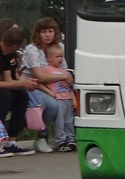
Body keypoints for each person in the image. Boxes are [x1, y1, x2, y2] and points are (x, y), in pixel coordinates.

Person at [20, 17, 70, 152]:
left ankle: (65, 138)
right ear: (38, 33)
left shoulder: (58, 48)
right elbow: (40, 76)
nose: (47, 35)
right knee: (52, 105)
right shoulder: (32, 50)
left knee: (66, 104)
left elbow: (63, 71)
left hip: (52, 87)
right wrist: (63, 76)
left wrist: (65, 77)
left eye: (50, 31)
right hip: (32, 87)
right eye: (43, 32)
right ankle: (41, 136)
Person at [0, 26, 38, 156]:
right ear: (16, 45)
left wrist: (24, 84)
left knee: (21, 95)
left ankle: (11, 141)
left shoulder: (10, 54)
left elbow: (8, 79)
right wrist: (22, 83)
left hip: (3, 86)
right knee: (5, 97)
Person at [38, 42, 77, 148]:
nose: (60, 59)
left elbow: (69, 86)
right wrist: (49, 92)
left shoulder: (63, 71)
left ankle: (71, 139)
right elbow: (40, 83)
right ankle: (60, 140)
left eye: (61, 56)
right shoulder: (46, 70)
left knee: (69, 120)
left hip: (67, 98)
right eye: (57, 57)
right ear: (49, 58)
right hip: (58, 99)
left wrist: (73, 98)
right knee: (60, 121)